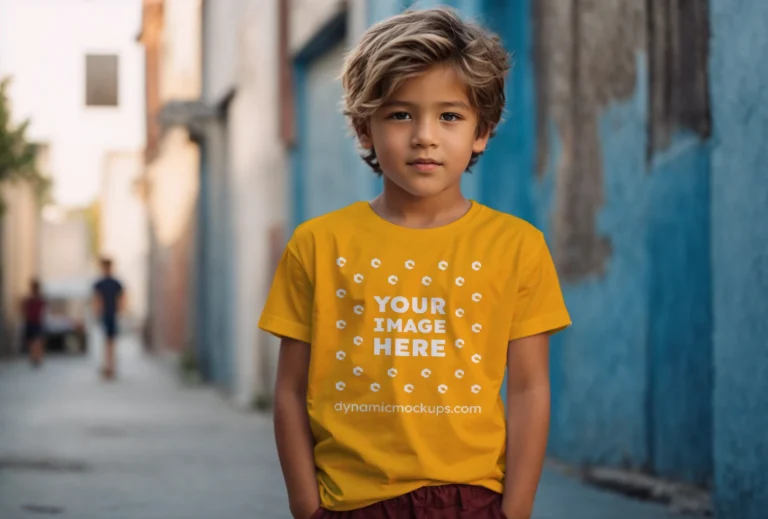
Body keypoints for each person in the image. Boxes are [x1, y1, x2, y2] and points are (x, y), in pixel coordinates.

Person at [258, 8, 572, 519]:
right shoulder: (318, 244)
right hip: (352, 502)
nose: (425, 135)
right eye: (401, 114)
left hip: (472, 500)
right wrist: (305, 505)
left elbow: (530, 387)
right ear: (364, 129)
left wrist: (514, 510)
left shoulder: (517, 246)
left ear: (482, 131)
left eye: (450, 116)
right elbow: (291, 390)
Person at [93, 257, 124, 380]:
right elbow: (97, 300)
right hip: (108, 315)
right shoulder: (106, 283)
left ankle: (110, 367)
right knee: (109, 342)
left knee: (109, 342)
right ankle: (109, 366)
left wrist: (119, 311)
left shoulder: (112, 283)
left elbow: (97, 300)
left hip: (109, 315)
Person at [21, 278, 46, 367]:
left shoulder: (37, 299)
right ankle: (35, 357)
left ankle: (36, 357)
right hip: (32, 322)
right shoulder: (30, 299)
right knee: (33, 342)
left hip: (35, 322)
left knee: (36, 341)